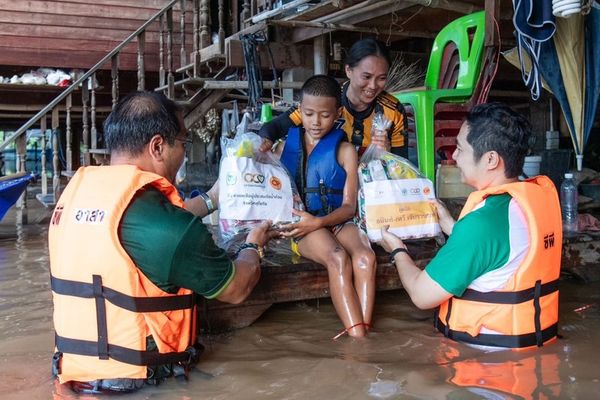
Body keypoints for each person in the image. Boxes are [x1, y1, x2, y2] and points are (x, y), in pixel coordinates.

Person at [48, 91, 275, 394]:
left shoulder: (75, 197)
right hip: (141, 384)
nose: (183, 153)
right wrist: (252, 245)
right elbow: (237, 288)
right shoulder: (171, 230)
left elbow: (148, 224)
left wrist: (213, 199)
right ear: (158, 146)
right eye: (184, 143)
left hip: (74, 374)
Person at [378, 102, 562, 349]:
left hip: (484, 368)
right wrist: (452, 227)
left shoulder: (482, 224)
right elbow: (498, 253)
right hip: (530, 346)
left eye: (460, 148)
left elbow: (421, 296)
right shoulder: (528, 202)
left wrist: (397, 250)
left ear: (491, 159)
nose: (453, 156)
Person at [273, 75, 377, 339]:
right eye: (308, 114)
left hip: (336, 220)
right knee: (338, 257)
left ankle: (361, 331)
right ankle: (360, 340)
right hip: (301, 226)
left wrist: (319, 222)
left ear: (338, 113)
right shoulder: (283, 148)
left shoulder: (345, 151)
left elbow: (349, 207)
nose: (316, 122)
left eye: (325, 115)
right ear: (299, 111)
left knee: (366, 258)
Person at [259, 38, 408, 157]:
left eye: (381, 78)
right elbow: (276, 127)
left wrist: (387, 153)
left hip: (373, 186)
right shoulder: (327, 100)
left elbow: (403, 164)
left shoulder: (393, 111)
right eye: (366, 77)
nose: (373, 85)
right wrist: (265, 140)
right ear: (348, 70)